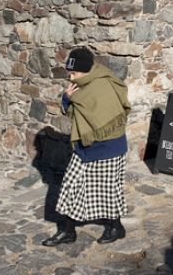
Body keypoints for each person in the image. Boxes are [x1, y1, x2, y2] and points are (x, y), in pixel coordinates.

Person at [41, 47, 131, 246]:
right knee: (70, 187)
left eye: (74, 73)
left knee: (107, 190)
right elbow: (72, 112)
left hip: (108, 148)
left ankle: (116, 227)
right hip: (85, 146)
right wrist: (67, 98)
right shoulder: (80, 87)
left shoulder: (103, 84)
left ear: (85, 70)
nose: (72, 78)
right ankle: (68, 231)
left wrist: (72, 100)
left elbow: (111, 116)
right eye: (70, 74)